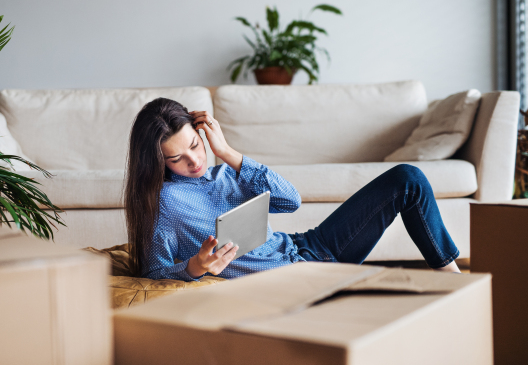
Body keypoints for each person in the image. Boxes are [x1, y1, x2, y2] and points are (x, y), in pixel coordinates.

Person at [124, 98, 461, 281]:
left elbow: (291, 201)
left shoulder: (228, 171)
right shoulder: (165, 204)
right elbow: (153, 272)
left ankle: (453, 279)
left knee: (408, 179)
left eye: (197, 146)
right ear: (157, 162)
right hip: (293, 274)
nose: (195, 161)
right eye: (177, 159)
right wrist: (195, 267)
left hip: (306, 246)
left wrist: (227, 152)